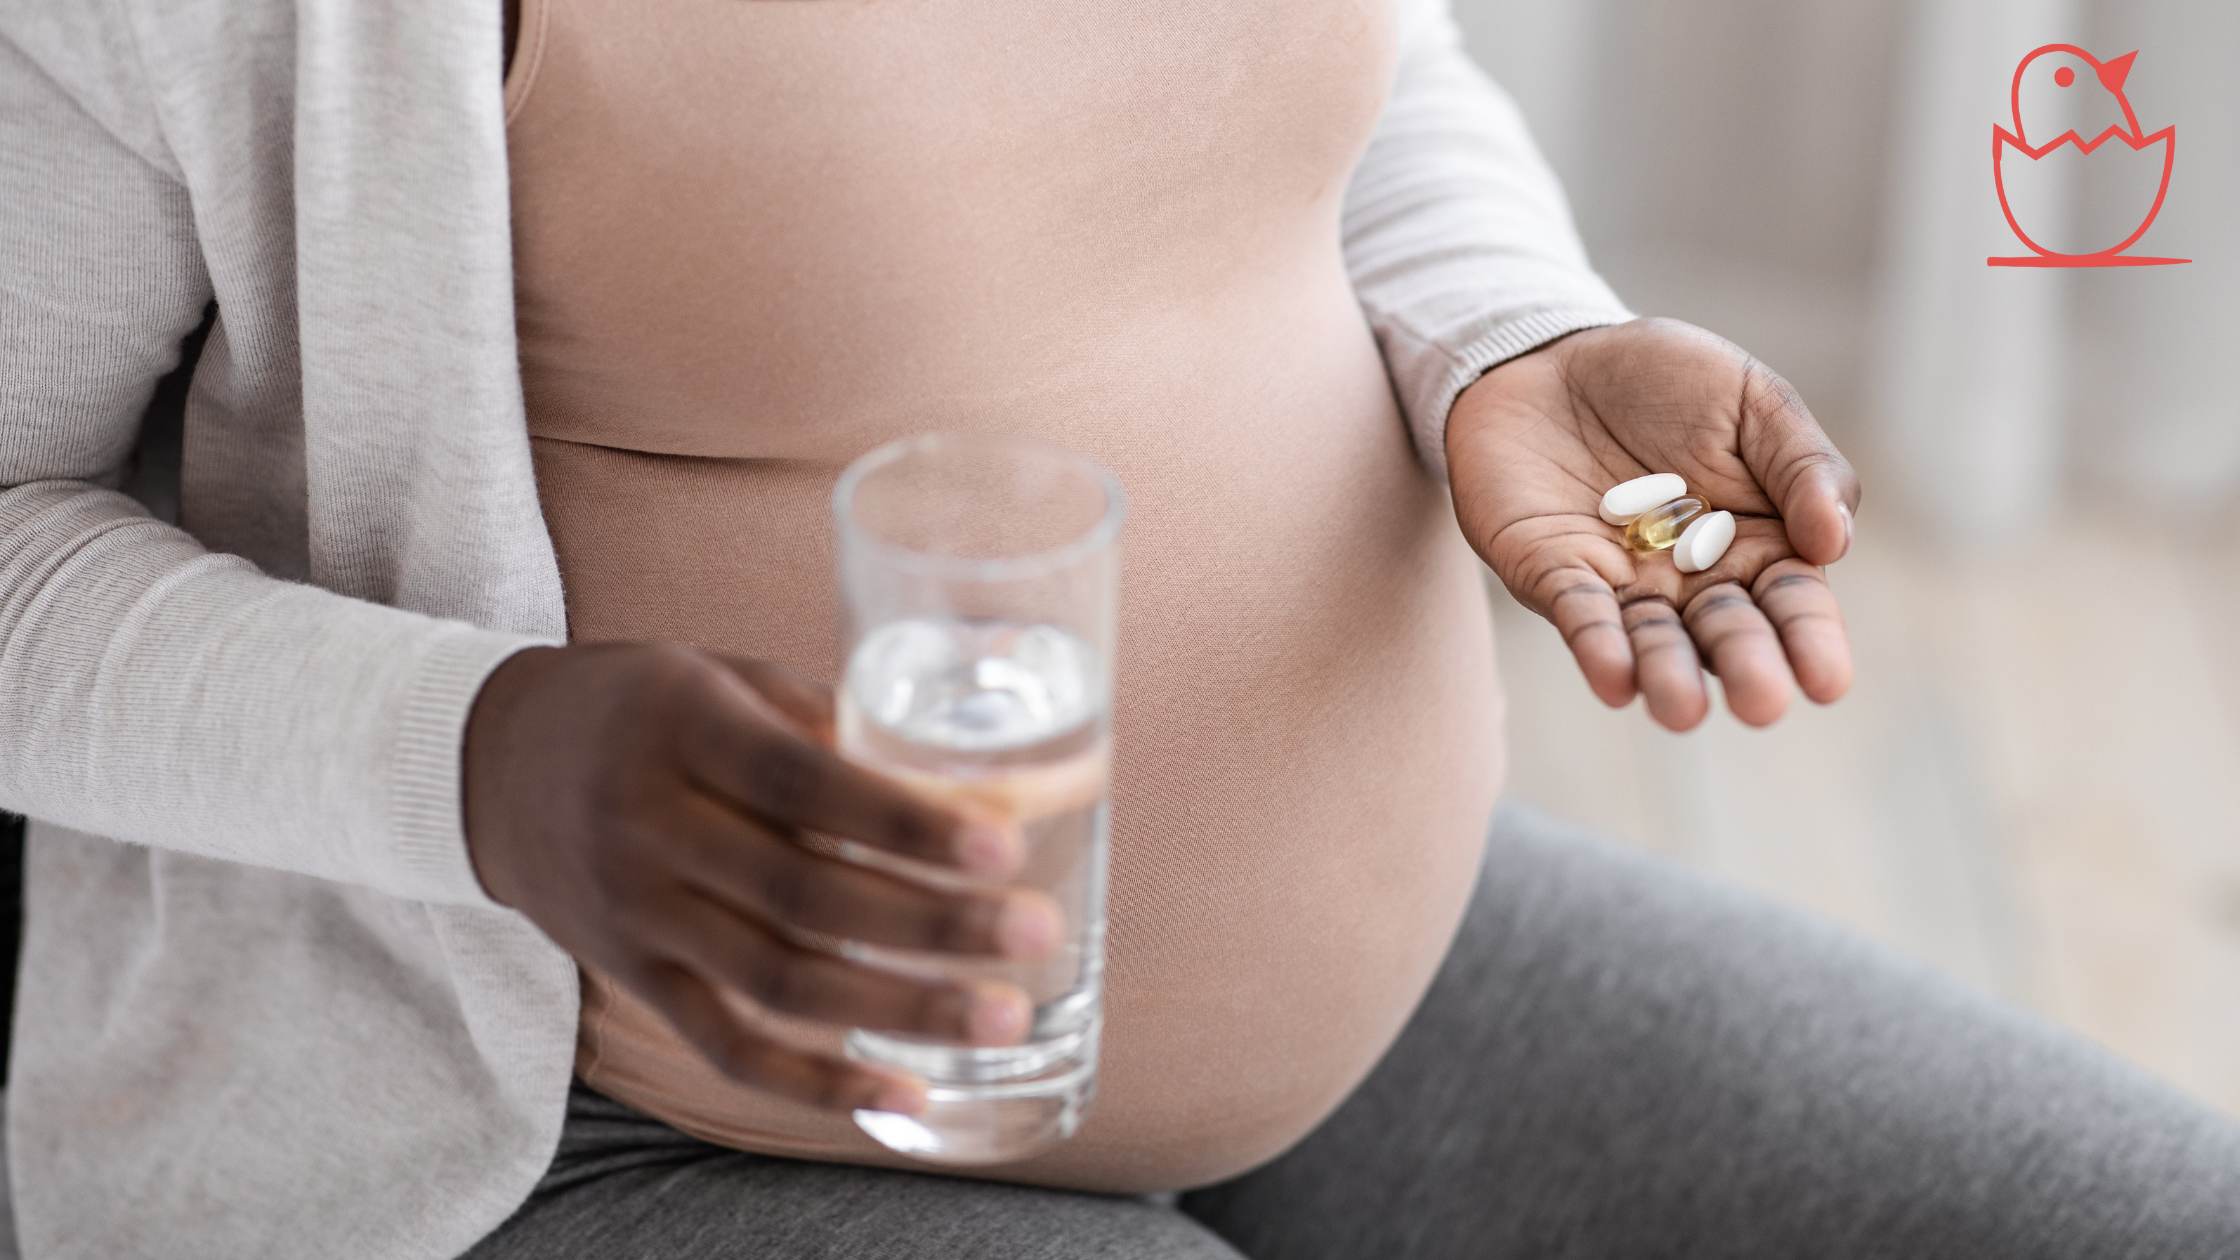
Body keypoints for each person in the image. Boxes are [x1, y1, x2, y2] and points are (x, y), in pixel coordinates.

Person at [1, 0, 2237, 1257]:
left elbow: (1354, 81)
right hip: (573, 1130)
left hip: (1384, 988)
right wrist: (476, 758)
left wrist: (1508, 334)